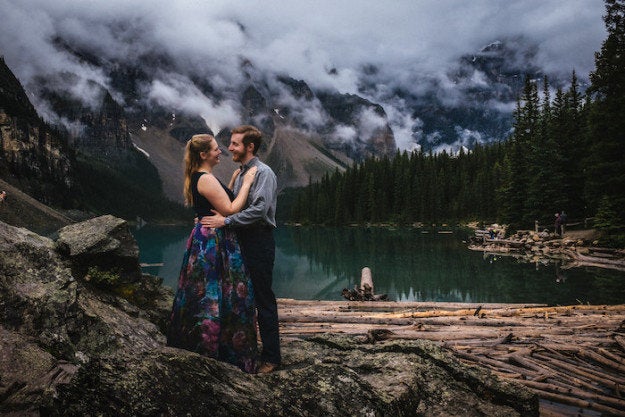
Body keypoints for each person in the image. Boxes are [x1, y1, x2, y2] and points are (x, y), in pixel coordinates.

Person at [167, 133, 259, 373]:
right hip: (214, 241)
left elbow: (217, 202)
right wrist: (247, 183)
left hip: (207, 238)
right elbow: (229, 209)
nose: (221, 152)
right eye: (216, 149)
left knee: (210, 292)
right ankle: (221, 354)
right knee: (220, 293)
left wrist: (231, 182)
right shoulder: (205, 179)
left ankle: (206, 348)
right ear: (203, 154)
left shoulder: (203, 177)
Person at [201, 125, 281, 374]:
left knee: (262, 299)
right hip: (241, 241)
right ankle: (244, 352)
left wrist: (225, 222)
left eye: (235, 144)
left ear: (250, 147)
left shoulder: (264, 173)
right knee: (240, 299)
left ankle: (272, 358)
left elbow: (259, 211)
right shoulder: (243, 173)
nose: (230, 148)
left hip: (258, 241)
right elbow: (234, 206)